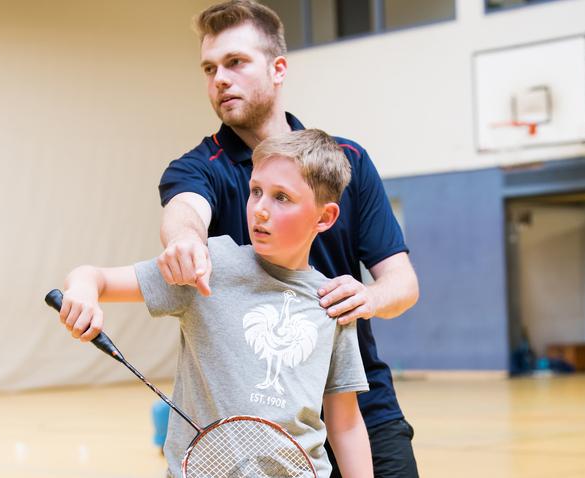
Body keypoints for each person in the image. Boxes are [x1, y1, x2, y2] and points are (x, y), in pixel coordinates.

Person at [157, 1, 420, 476]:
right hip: (261, 423)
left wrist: (368, 296)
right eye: (209, 68)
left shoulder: (347, 162)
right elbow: (184, 212)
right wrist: (184, 241)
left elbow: (402, 284)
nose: (220, 78)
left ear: (278, 68)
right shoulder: (199, 168)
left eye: (236, 62)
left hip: (360, 407)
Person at [59, 129, 374, 478]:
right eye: (256, 192)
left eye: (281, 197)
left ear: (325, 217)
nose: (261, 210)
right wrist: (83, 291)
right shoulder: (209, 267)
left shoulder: (334, 301)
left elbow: (345, 423)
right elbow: (94, 277)